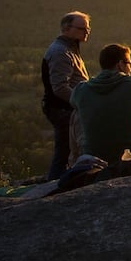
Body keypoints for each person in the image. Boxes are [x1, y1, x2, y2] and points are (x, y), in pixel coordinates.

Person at [70, 43, 131, 165]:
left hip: (93, 157)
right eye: (129, 64)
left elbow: (73, 102)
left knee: (76, 113)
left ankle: (76, 161)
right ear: (120, 65)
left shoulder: (81, 89)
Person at [41, 11, 92, 180]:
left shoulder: (69, 49)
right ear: (66, 29)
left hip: (66, 108)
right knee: (65, 150)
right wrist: (81, 103)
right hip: (63, 109)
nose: (87, 31)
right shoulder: (60, 52)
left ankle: (59, 182)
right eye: (82, 28)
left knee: (68, 150)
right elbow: (60, 87)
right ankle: (55, 186)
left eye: (88, 28)